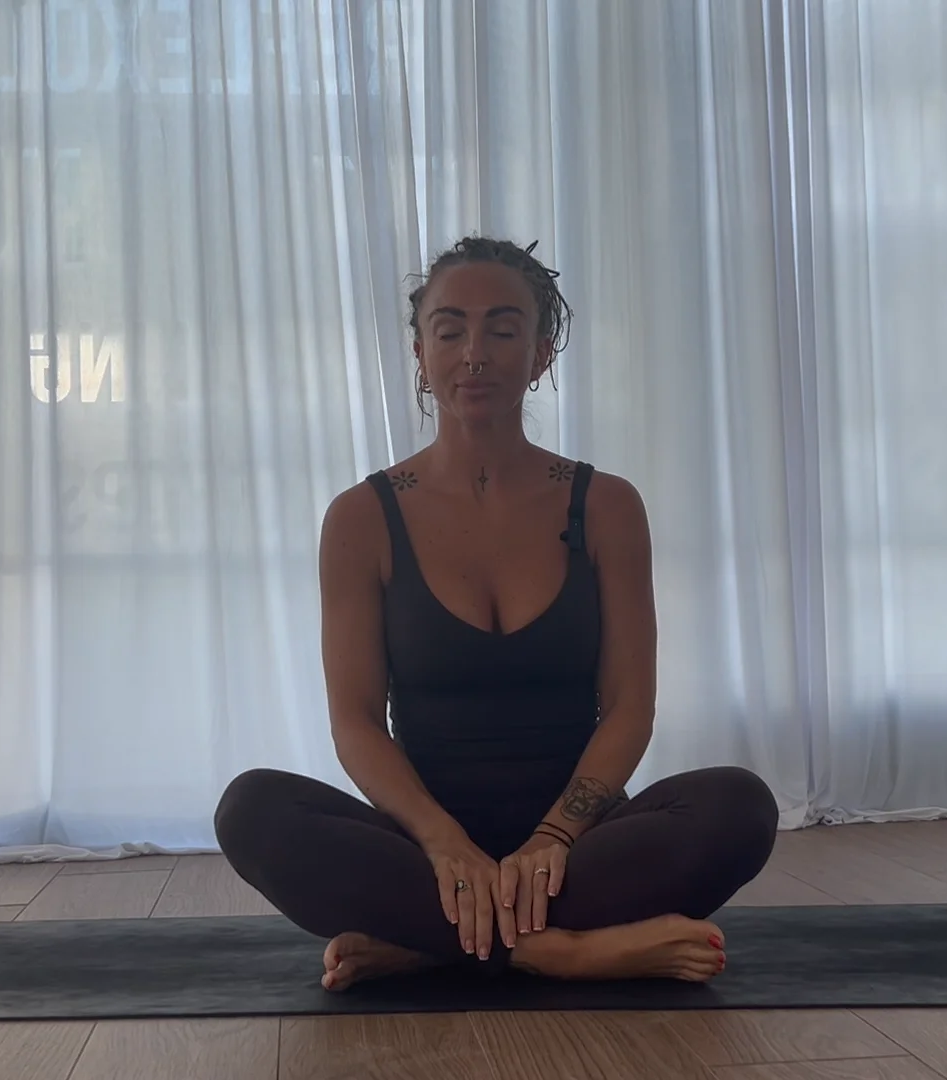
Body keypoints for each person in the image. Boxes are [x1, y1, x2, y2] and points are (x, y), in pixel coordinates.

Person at [214, 236, 780, 992]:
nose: (474, 353)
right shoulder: (361, 518)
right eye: (450, 330)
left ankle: (432, 942)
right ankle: (563, 950)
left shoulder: (606, 506)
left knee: (739, 806)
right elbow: (355, 723)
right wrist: (444, 844)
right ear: (421, 353)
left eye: (503, 330)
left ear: (540, 354)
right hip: (423, 849)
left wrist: (554, 837)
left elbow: (629, 710)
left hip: (577, 846)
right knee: (252, 809)